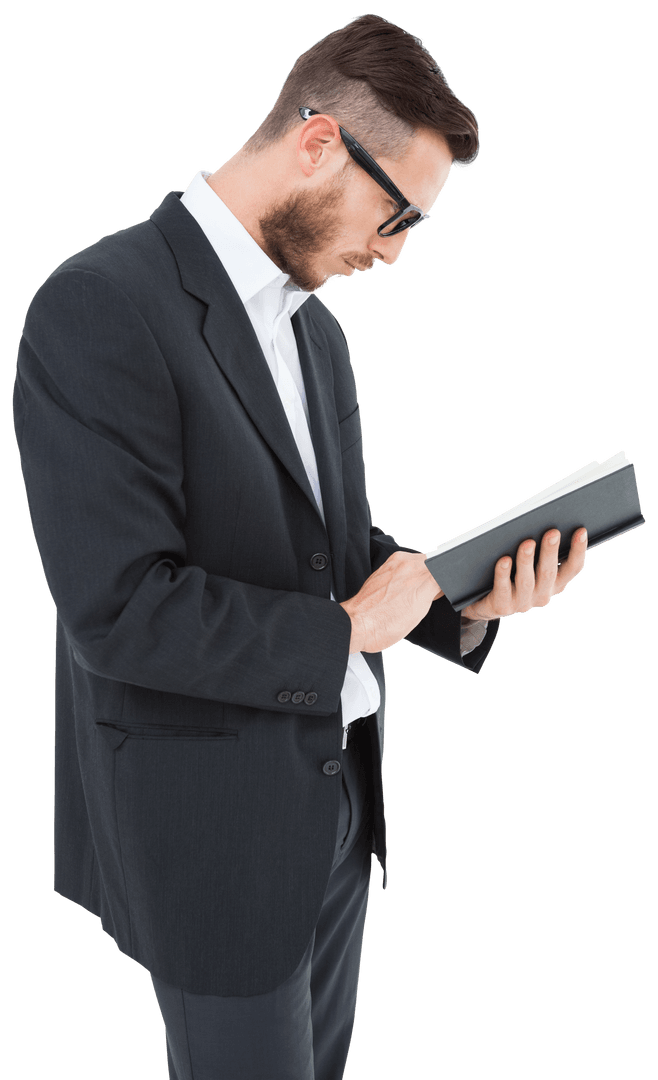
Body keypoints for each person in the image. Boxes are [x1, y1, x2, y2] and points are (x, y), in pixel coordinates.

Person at [12, 13, 587, 1080]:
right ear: (319, 141)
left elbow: (326, 539)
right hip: (210, 835)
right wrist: (339, 638)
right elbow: (118, 608)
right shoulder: (96, 308)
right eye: (397, 212)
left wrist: (467, 601)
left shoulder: (314, 323)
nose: (394, 250)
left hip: (334, 806)